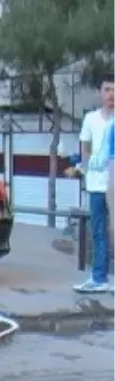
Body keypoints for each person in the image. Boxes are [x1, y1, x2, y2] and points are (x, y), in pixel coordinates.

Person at [73, 73, 115, 295]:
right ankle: (99, 278)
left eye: (114, 90)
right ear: (100, 92)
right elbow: (85, 147)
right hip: (97, 185)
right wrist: (88, 169)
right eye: (107, 89)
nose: (111, 94)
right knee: (98, 232)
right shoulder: (91, 119)